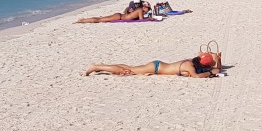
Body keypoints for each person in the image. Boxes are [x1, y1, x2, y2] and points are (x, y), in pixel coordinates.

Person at [86, 52, 222, 78]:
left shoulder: (191, 62)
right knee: (127, 68)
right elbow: (197, 76)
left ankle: (103, 66)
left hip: (157, 66)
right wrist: (211, 73)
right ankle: (97, 67)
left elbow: (202, 56)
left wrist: (218, 59)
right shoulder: (190, 67)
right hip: (155, 68)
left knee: (128, 68)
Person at [76, 5, 153, 23]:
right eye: (148, 9)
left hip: (119, 16)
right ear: (144, 7)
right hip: (119, 17)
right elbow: (141, 19)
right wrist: (149, 18)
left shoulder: (139, 10)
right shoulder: (140, 10)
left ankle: (83, 20)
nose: (148, 10)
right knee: (100, 20)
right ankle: (82, 21)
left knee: (102, 18)